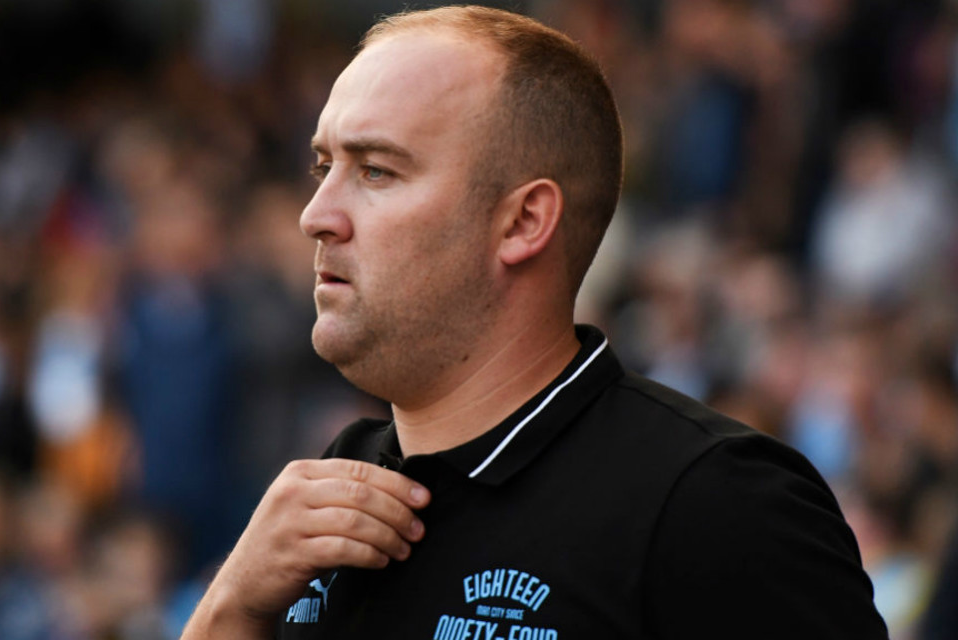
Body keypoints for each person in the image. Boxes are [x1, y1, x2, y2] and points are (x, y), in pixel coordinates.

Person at [182, 6, 888, 638]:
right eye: (323, 166)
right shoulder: (324, 491)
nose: (316, 216)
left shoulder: (715, 505)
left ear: (523, 221)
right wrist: (230, 612)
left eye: (375, 171)